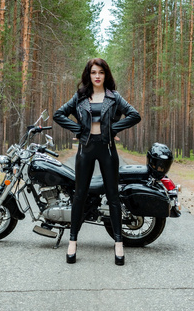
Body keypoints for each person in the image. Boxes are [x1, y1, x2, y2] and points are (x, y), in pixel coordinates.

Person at [53, 58, 141, 265]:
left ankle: (118, 244)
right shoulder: (80, 97)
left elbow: (134, 115)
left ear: (106, 74)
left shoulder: (113, 96)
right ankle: (72, 242)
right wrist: (79, 129)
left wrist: (113, 128)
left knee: (112, 197)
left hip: (107, 149)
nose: (97, 76)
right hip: (86, 149)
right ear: (88, 75)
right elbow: (59, 115)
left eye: (101, 72)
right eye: (93, 72)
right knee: (79, 196)